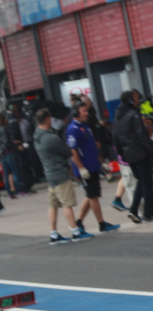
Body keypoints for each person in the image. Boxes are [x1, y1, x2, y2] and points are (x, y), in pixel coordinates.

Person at [33, 108, 95, 245]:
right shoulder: (51, 138)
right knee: (67, 204)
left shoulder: (36, 137)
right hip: (60, 174)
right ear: (48, 119)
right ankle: (75, 231)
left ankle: (53, 233)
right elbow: (67, 151)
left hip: (49, 174)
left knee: (53, 205)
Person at [66, 102, 120, 233]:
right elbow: (72, 151)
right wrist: (81, 168)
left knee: (91, 194)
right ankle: (101, 223)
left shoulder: (85, 127)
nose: (87, 113)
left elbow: (91, 147)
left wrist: (101, 162)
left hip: (92, 166)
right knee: (93, 196)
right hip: (86, 168)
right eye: (84, 111)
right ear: (76, 113)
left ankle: (79, 221)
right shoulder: (73, 129)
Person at [113, 90, 153, 222]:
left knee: (141, 181)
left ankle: (133, 210)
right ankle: (148, 213)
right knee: (147, 183)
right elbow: (142, 135)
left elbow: (115, 138)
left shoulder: (118, 117)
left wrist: (122, 154)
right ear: (130, 101)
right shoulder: (134, 115)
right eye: (136, 99)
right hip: (140, 152)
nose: (138, 100)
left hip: (128, 155)